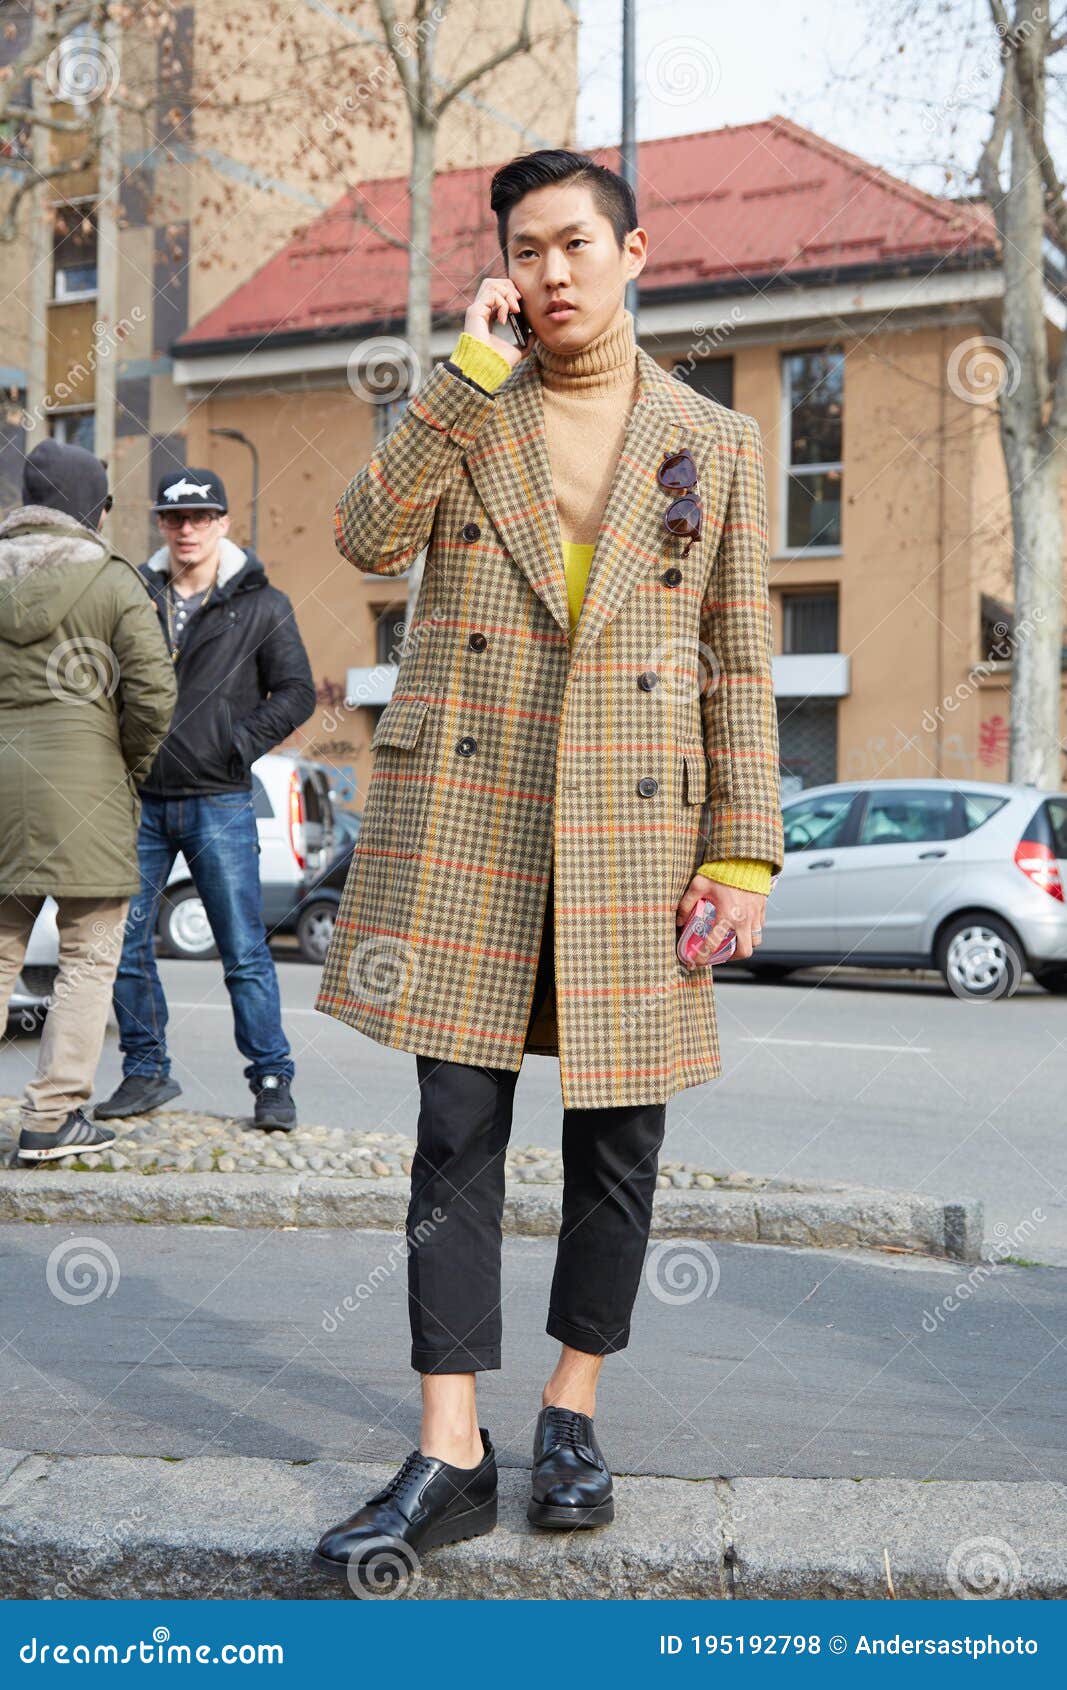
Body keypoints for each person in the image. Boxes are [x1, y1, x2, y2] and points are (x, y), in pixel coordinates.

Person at [312, 149, 784, 1586]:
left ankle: (568, 1413)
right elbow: (359, 534)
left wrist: (743, 851)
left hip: (635, 836)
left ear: (634, 252)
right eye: (527, 249)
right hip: (470, 826)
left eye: (577, 242)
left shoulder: (714, 437)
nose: (553, 271)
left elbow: (741, 665)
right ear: (502, 270)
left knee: (615, 1141)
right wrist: (454, 373)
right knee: (453, 1129)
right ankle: (448, 1448)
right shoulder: (469, 413)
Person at [94, 469, 316, 1132]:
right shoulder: (134, 594)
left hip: (219, 798)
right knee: (121, 940)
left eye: (200, 517)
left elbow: (296, 693)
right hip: (141, 800)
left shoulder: (262, 604)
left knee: (243, 949)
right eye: (173, 518)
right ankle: (145, 1070)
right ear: (161, 524)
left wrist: (234, 744)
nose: (186, 529)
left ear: (222, 523)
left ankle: (272, 1080)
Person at [0, 439, 176, 1163]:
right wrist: (124, 764)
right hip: (88, 790)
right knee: (89, 956)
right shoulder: (112, 579)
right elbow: (154, 694)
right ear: (93, 509)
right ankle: (51, 1116)